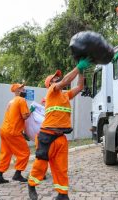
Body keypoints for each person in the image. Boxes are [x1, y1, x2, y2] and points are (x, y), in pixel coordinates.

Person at [28, 58, 91, 200]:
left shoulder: (65, 95)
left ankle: (62, 194)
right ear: (49, 84)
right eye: (54, 78)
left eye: (58, 77)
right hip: (47, 136)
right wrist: (77, 67)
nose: (57, 78)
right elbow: (65, 82)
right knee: (41, 165)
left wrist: (81, 71)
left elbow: (80, 87)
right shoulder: (52, 91)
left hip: (61, 137)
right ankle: (31, 185)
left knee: (61, 167)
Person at [0, 83, 31, 184]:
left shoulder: (11, 101)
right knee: (25, 153)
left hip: (4, 130)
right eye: (22, 88)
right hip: (13, 131)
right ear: (17, 91)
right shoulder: (21, 100)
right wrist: (31, 111)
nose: (24, 90)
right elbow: (25, 116)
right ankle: (17, 174)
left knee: (6, 153)